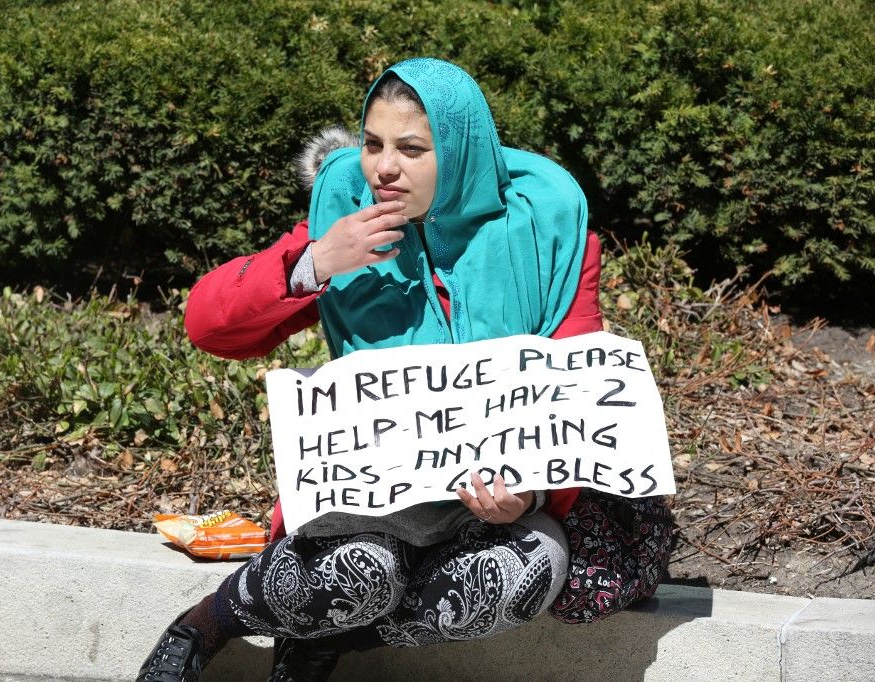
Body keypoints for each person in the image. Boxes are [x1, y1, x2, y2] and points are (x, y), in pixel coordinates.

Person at [137, 58, 605, 682]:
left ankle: (323, 635)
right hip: (364, 499)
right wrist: (314, 261)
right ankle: (208, 621)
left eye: (412, 149)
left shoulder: (547, 232)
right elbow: (209, 327)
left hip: (483, 508)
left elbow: (577, 391)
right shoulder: (346, 219)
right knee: (364, 568)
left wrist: (533, 492)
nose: (384, 168)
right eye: (373, 145)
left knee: (525, 572)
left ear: (460, 151)